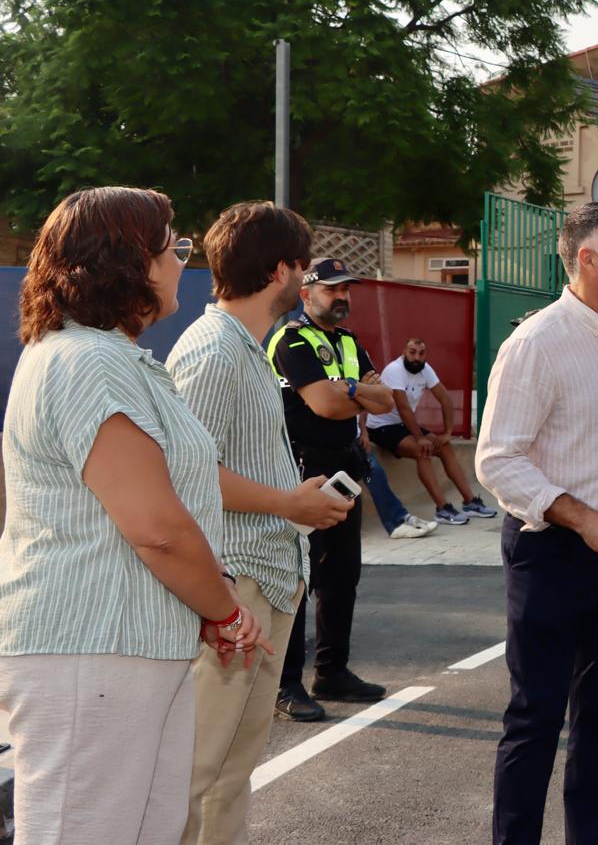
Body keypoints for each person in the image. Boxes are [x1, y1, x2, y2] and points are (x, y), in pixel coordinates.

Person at [0, 187, 267, 843]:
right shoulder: (87, 362)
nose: (182, 261)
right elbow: (156, 526)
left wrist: (210, 598)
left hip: (131, 647)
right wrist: (224, 610)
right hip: (91, 648)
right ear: (129, 264)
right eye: (172, 248)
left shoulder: (107, 358)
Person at [476, 202, 598, 845]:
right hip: (554, 552)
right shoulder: (536, 342)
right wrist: (586, 518)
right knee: (535, 718)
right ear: (587, 260)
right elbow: (497, 460)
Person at [169, 202, 357, 844]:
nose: (308, 282)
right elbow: (184, 476)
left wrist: (293, 499)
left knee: (232, 770)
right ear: (281, 270)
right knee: (199, 771)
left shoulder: (246, 347)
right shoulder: (214, 351)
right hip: (233, 587)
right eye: (305, 269)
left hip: (264, 581)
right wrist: (288, 504)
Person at [268, 257, 396, 722]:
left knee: (342, 576)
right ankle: (285, 685)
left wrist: (345, 392)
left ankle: (332, 672)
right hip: (302, 469)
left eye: (347, 289)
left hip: (344, 469)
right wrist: (353, 391)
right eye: (332, 289)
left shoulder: (348, 341)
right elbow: (322, 405)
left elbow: (386, 401)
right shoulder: (292, 339)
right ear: (307, 293)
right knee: (300, 578)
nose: (342, 296)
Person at [367, 337, 496, 526]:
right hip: (381, 425)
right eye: (412, 352)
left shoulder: (425, 369)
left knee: (445, 447)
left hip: (404, 424)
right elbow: (403, 407)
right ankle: (442, 509)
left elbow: (444, 399)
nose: (416, 357)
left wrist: (447, 432)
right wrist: (419, 438)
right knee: (423, 451)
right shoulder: (394, 370)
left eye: (421, 353)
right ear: (404, 352)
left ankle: (470, 502)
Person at [360, 439, 437, 539]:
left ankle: (398, 519)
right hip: (336, 441)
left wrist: (364, 432)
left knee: (374, 471)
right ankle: (397, 521)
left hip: (353, 437)